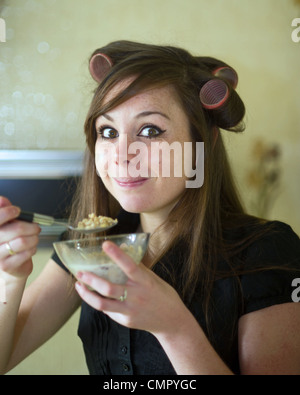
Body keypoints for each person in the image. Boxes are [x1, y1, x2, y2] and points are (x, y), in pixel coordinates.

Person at [1, 40, 300, 375]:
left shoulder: (269, 250)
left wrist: (174, 328)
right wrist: (10, 278)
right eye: (109, 131)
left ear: (204, 141)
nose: (122, 153)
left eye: (149, 130)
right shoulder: (94, 243)